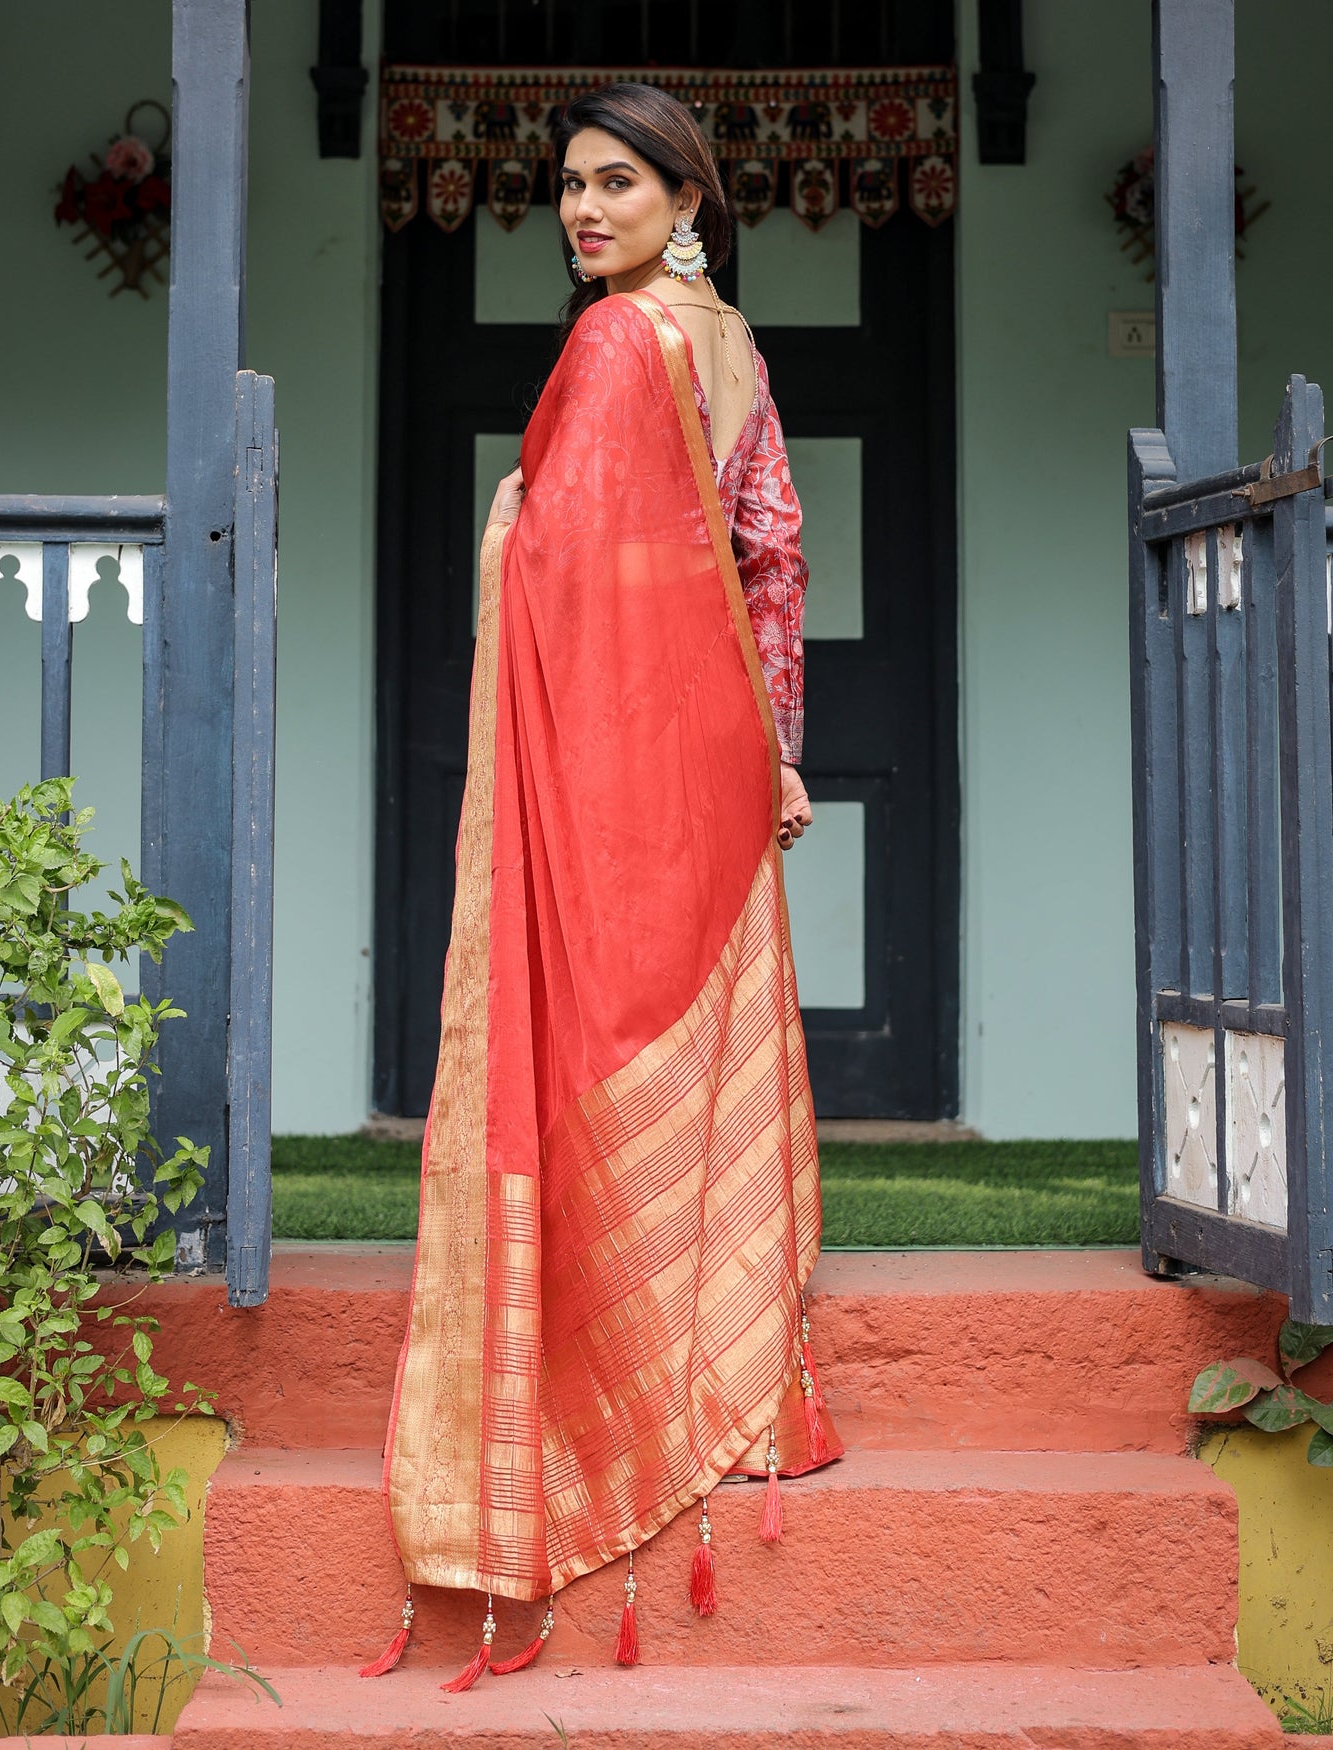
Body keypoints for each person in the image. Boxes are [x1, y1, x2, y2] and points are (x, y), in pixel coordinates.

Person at [364, 81, 841, 1692]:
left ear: (683, 193)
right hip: (712, 739)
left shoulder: (617, 346)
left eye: (616, 183)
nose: (583, 209)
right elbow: (771, 553)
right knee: (662, 1044)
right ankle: (724, 1377)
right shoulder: (735, 351)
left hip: (631, 755)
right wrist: (779, 742)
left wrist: (507, 526)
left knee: (584, 1040)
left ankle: (605, 1398)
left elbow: (563, 552)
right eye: (568, 184)